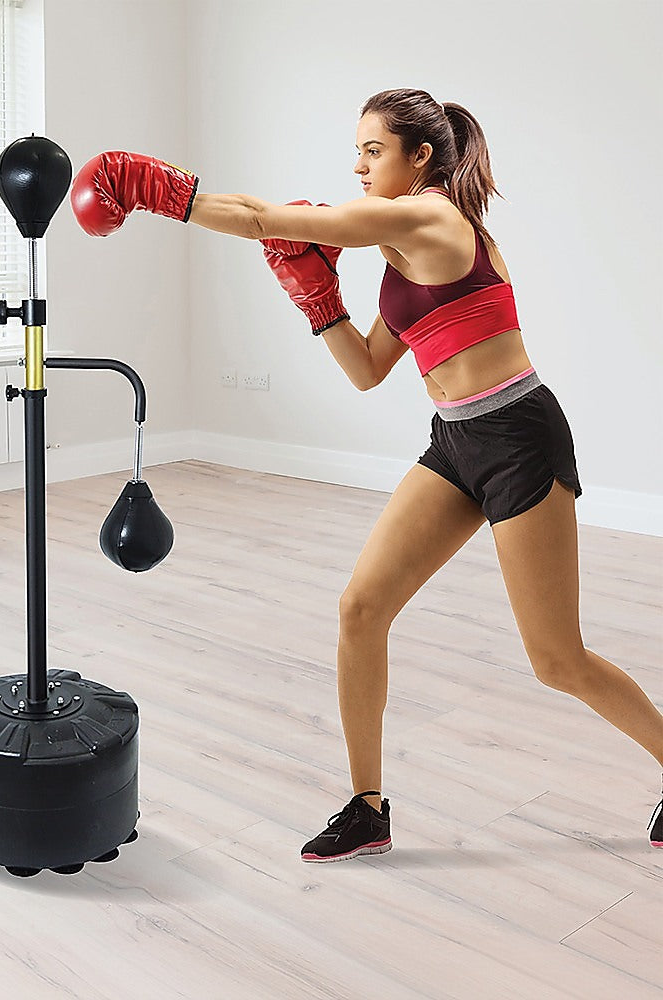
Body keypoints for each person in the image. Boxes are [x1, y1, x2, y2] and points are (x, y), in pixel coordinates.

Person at [69, 87, 663, 862]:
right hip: (456, 441)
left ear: (421, 157)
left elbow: (263, 218)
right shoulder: (401, 251)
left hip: (519, 436)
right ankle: (367, 807)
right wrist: (319, 302)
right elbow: (367, 369)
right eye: (357, 151)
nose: (358, 166)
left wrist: (152, 189)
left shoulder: (431, 219)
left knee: (557, 660)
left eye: (373, 151)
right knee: (361, 607)